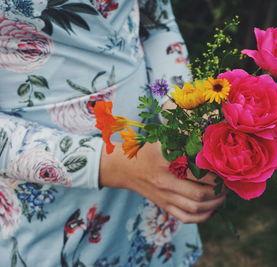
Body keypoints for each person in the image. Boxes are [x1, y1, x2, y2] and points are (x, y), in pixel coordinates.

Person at [0, 0, 226, 266]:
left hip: (158, 178)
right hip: (49, 204)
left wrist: (178, 107)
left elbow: (156, 20)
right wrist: (116, 166)